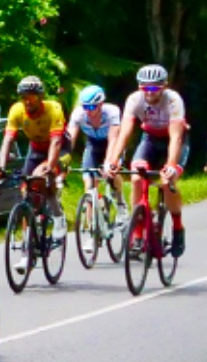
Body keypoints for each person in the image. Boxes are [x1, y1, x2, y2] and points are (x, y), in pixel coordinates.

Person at [109, 63, 190, 257]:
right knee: (137, 178)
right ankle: (138, 233)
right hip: (150, 139)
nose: (149, 92)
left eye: (154, 87)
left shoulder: (173, 100)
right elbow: (125, 133)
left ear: (164, 86)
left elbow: (176, 138)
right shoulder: (134, 99)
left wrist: (171, 165)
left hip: (174, 140)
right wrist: (114, 160)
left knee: (167, 182)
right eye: (144, 87)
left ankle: (178, 226)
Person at [0, 75, 67, 222]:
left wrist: (50, 167)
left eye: (32, 97)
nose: (27, 101)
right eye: (24, 97)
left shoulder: (53, 109)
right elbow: (7, 140)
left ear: (40, 97)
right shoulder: (16, 110)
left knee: (40, 177)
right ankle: (30, 229)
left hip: (59, 148)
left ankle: (58, 218)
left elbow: (56, 142)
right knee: (25, 186)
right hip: (36, 149)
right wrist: (1, 167)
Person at [67, 84, 119, 179]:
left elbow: (113, 140)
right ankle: (92, 188)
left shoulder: (112, 111)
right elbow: (70, 140)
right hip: (93, 143)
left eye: (91, 107)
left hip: (111, 143)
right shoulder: (78, 113)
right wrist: (64, 161)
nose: (87, 111)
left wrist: (108, 161)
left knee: (112, 174)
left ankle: (116, 187)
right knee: (88, 177)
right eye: (85, 107)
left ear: (101, 104)